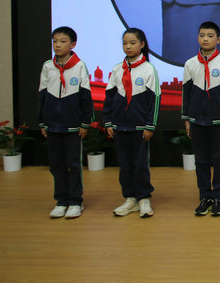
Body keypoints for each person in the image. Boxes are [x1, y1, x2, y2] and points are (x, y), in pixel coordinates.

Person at [37, 26, 94, 219]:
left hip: (72, 125)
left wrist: (85, 123)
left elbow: (86, 97)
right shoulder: (48, 66)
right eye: (55, 41)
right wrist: (42, 122)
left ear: (73, 44)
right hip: (52, 125)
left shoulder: (79, 66)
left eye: (63, 41)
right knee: (56, 165)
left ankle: (76, 201)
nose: (57, 45)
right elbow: (42, 95)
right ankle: (61, 201)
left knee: (73, 164)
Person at [182, 21, 220, 217]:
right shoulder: (190, 64)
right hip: (197, 121)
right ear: (197, 38)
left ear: (218, 39)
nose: (206, 39)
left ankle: (218, 197)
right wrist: (187, 119)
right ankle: (204, 196)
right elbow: (186, 94)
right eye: (202, 35)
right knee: (201, 161)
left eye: (210, 36)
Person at [104, 28, 160, 218]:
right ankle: (130, 198)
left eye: (132, 43)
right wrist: (108, 122)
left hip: (140, 128)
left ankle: (144, 198)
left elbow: (155, 100)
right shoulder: (117, 69)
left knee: (140, 164)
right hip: (120, 127)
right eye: (125, 43)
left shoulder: (148, 69)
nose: (128, 46)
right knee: (125, 165)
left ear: (142, 44)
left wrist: (150, 125)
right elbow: (109, 97)